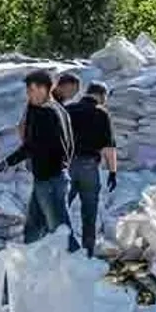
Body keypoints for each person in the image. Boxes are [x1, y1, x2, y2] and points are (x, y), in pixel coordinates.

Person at [0, 69, 75, 248]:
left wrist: (7, 162)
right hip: (52, 177)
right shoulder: (59, 110)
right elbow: (70, 143)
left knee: (60, 231)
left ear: (42, 89)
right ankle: (29, 265)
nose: (28, 95)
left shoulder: (44, 113)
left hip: (49, 180)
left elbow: (31, 146)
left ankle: (79, 269)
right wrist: (64, 165)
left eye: (30, 90)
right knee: (33, 227)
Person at [66, 81, 118, 257]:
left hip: (66, 166)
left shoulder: (69, 110)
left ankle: (59, 248)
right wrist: (112, 172)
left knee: (61, 208)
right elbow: (109, 148)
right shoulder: (101, 113)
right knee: (89, 212)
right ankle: (87, 251)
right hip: (89, 167)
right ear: (102, 95)